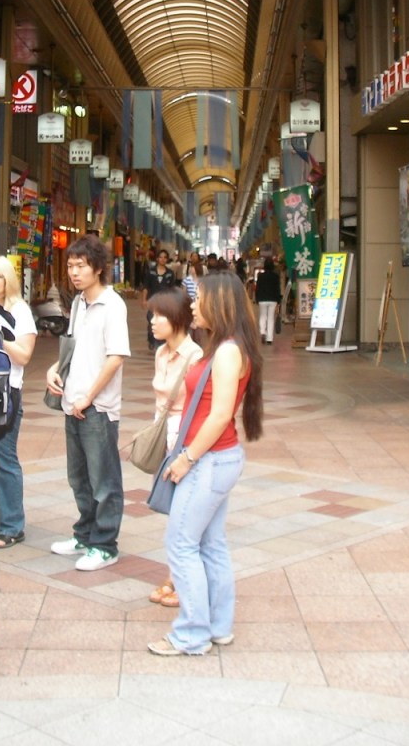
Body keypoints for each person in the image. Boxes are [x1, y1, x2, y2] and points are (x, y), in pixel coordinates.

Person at [148, 270, 263, 657]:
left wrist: (186, 458)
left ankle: (191, 634)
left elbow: (219, 415)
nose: (192, 305)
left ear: (220, 303)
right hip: (217, 458)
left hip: (209, 459)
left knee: (181, 544)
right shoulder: (225, 346)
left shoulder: (229, 350)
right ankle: (217, 627)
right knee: (211, 544)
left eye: (199, 299)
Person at [46, 234, 130, 572]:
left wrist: (89, 397)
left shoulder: (113, 304)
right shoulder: (79, 302)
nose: (74, 272)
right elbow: (73, 346)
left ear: (98, 267)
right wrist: (55, 368)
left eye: (80, 266)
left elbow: (115, 358)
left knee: (104, 480)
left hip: (98, 408)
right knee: (78, 477)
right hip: (72, 402)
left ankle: (105, 544)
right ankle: (84, 533)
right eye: (70, 265)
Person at [144, 287, 203, 610]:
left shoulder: (195, 357)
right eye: (152, 314)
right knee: (175, 514)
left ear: (179, 319)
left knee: (185, 514)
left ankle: (181, 580)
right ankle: (175, 575)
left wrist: (188, 452)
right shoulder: (161, 353)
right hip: (166, 437)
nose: (153, 321)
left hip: (185, 441)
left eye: (159, 315)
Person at [0, 256, 37, 549]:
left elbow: (24, 356)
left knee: (4, 456)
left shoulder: (19, 311)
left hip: (4, 390)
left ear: (9, 281)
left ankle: (12, 524)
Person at [140, 248, 176, 350]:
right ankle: (151, 339)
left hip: (165, 303)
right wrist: (144, 300)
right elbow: (146, 287)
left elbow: (172, 289)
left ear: (167, 259)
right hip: (152, 302)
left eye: (165, 257)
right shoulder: (151, 272)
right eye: (160, 257)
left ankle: (160, 342)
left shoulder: (170, 273)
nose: (162, 259)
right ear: (157, 259)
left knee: (163, 322)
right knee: (152, 321)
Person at [255, 256, 282, 344]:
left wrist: (257, 298)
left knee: (263, 316)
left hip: (262, 299)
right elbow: (278, 289)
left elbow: (257, 288)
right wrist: (278, 300)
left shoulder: (260, 276)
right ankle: (269, 339)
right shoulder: (276, 276)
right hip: (273, 299)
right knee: (271, 318)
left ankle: (263, 332)